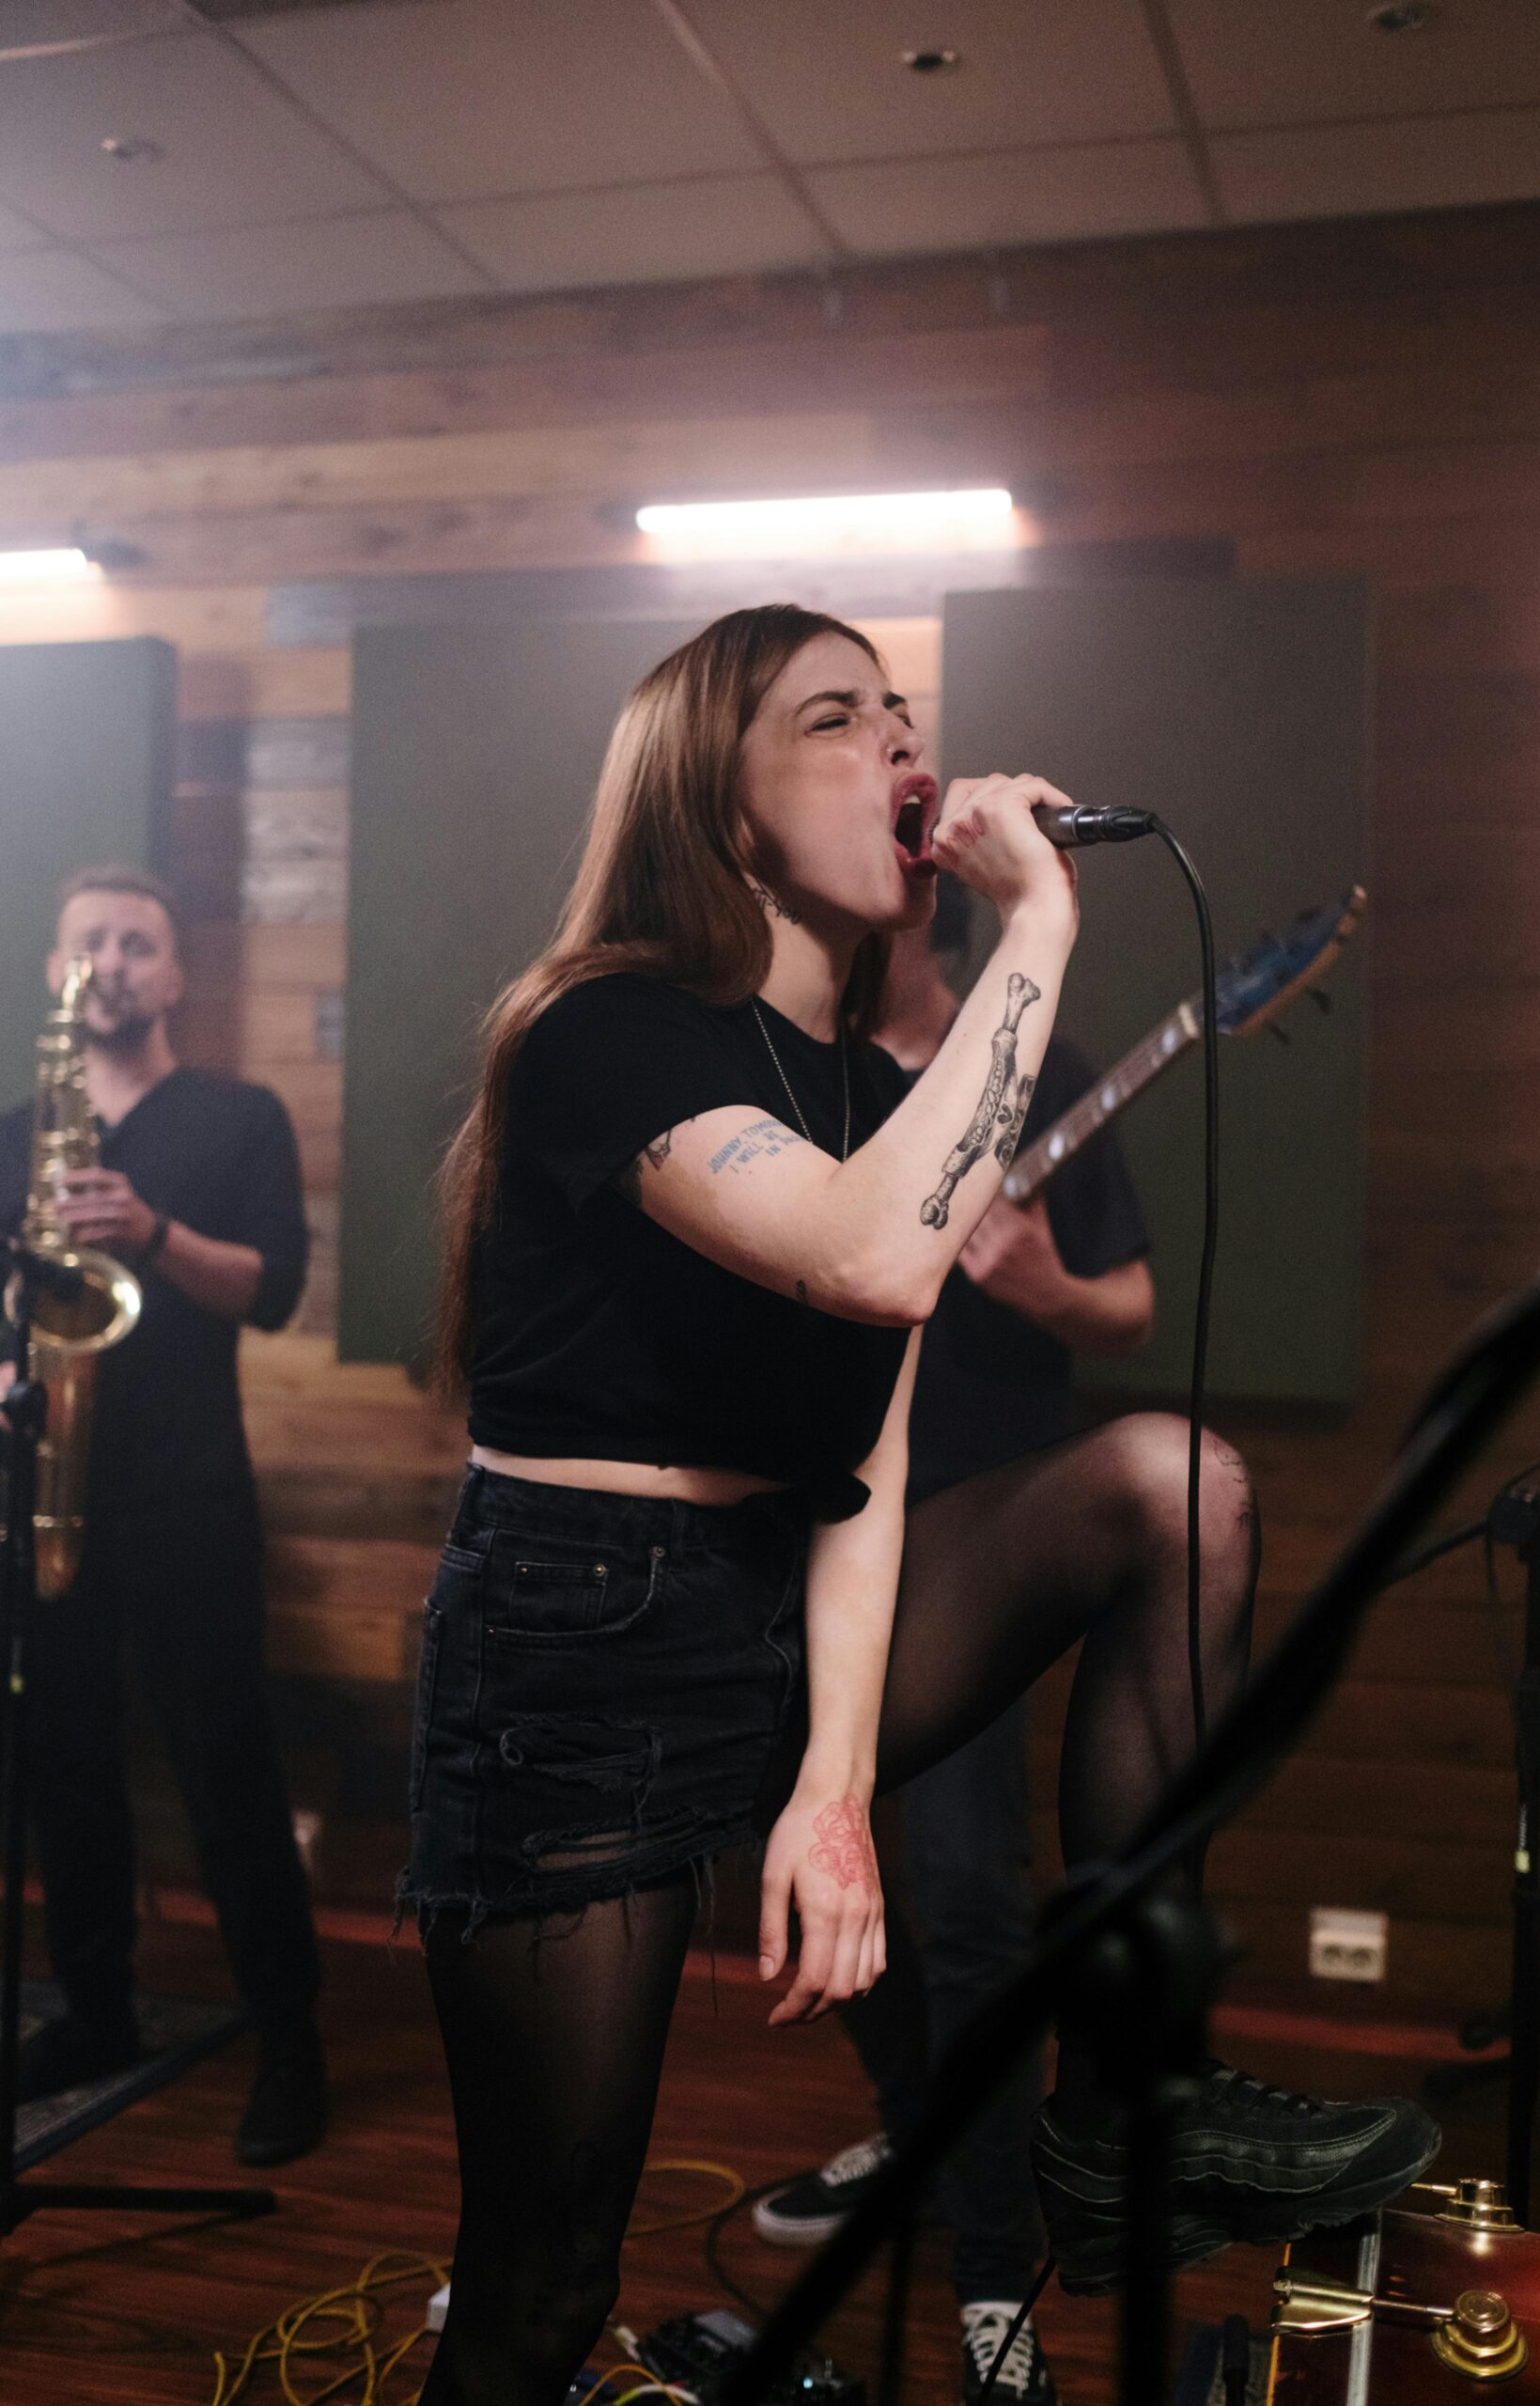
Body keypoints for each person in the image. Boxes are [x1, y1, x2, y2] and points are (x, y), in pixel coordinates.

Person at [405, 606, 1438, 2406]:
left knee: (1173, 1487)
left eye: (903, 709)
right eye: (836, 717)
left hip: (766, 1602)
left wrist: (833, 1792)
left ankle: (1124, 2104)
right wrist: (1040, 921)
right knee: (546, 2274)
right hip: (574, 1653)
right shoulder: (606, 1031)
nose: (904, 741)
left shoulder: (878, 1091)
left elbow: (867, 1465)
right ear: (717, 806)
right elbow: (874, 1260)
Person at [753, 878, 1158, 2406]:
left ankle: (995, 2266)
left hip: (977, 1534)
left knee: (975, 1892)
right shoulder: (789, 1060)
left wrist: (1047, 1284)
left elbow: (1131, 1306)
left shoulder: (1045, 1071)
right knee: (803, 1859)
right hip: (807, 1522)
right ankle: (923, 2121)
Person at [0, 866, 325, 2166]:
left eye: (139, 944)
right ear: (56, 972)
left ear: (175, 975)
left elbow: (274, 1291)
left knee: (226, 1773)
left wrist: (151, 1230)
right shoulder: (21, 1130)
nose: (113, 962)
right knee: (67, 1770)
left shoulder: (238, 1117)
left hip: (190, 1492)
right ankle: (93, 2011)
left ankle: (289, 2041)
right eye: (91, 942)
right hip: (48, 1493)